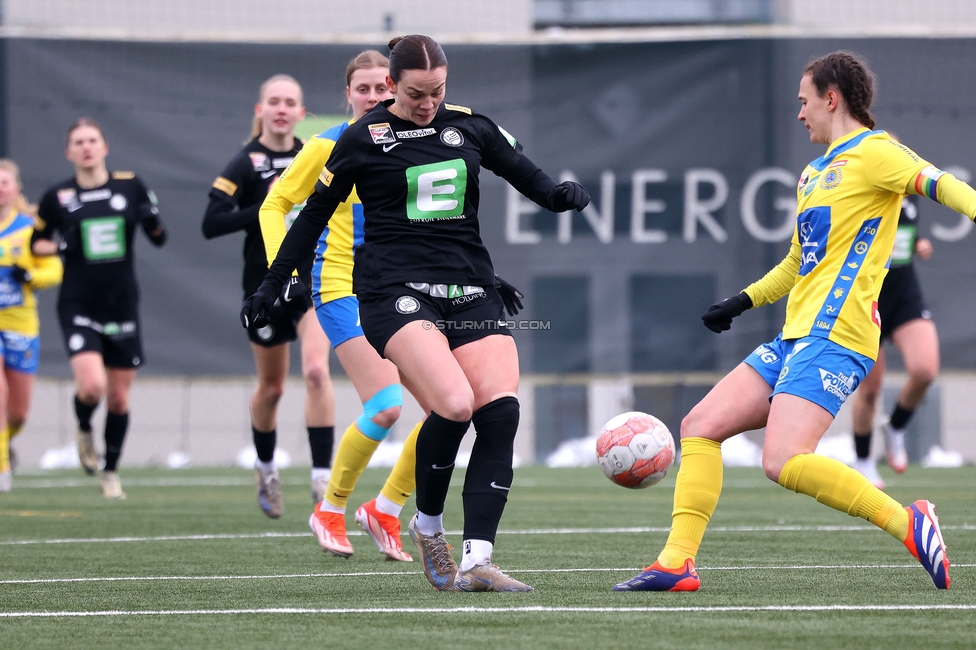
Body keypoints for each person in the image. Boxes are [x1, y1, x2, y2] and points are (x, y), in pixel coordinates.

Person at [614, 52, 971, 593]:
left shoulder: (877, 152)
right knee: (699, 427)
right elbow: (796, 262)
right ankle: (676, 563)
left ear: (832, 99)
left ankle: (909, 521)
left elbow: (941, 183)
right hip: (795, 336)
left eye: (804, 101)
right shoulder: (813, 173)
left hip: (838, 336)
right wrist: (741, 300)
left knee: (782, 461)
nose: (799, 114)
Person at [243, 34, 589, 591]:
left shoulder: (469, 125)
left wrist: (558, 196)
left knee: (499, 413)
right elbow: (308, 217)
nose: (428, 103)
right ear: (393, 87)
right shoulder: (360, 139)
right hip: (392, 292)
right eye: (415, 93)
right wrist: (273, 280)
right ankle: (426, 524)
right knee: (452, 405)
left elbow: (523, 171)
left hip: (472, 287)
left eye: (437, 91)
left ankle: (477, 562)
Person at [260, 50, 422, 561]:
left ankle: (387, 508)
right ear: (347, 96)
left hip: (403, 286)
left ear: (396, 89)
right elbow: (275, 204)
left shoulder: (415, 143)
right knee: (387, 405)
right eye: (364, 89)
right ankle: (329, 508)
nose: (374, 97)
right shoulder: (326, 144)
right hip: (340, 285)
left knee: (451, 407)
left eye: (383, 89)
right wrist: (279, 272)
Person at [203, 74, 335, 519]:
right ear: (260, 110)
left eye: (290, 102)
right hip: (265, 286)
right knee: (273, 388)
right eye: (273, 101)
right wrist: (266, 206)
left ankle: (323, 482)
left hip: (313, 279)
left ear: (302, 112)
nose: (281, 108)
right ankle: (266, 467)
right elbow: (210, 222)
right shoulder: (245, 162)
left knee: (317, 371)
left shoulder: (313, 153)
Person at [35, 118, 167, 499]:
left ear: (105, 147)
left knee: (120, 397)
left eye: (93, 140)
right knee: (92, 386)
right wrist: (62, 245)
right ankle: (83, 426)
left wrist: (152, 221)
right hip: (78, 303)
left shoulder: (129, 185)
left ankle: (110, 472)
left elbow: (159, 237)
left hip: (122, 303)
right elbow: (36, 243)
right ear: (69, 152)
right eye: (79, 142)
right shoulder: (58, 196)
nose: (87, 147)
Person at [850, 194, 939, 488]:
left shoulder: (909, 192)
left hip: (903, 294)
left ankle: (896, 427)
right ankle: (863, 461)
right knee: (871, 389)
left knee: (925, 370)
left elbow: (900, 233)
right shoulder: (854, 189)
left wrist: (917, 243)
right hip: (865, 296)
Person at [0, 160, 63, 491]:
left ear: (16, 188)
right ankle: (2, 470)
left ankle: (5, 442)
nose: (0, 189)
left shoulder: (28, 228)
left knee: (19, 412)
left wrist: (30, 276)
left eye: (4, 182)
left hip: (21, 325)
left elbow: (54, 269)